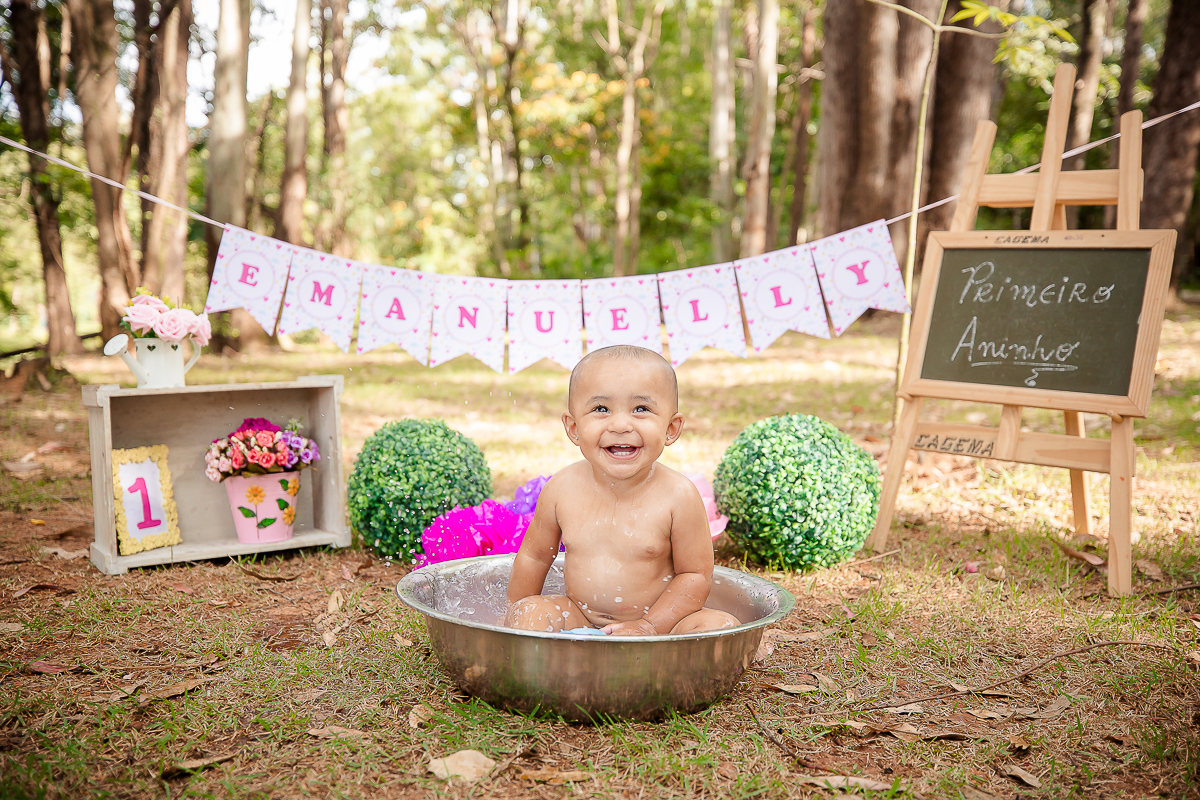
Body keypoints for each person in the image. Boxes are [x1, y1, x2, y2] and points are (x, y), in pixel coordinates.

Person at [504, 345, 740, 635]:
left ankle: (662, 663)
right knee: (529, 613)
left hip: (661, 626)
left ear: (671, 428)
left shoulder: (678, 496)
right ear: (574, 427)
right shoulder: (561, 489)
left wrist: (649, 626)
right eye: (601, 409)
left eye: (641, 409)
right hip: (579, 617)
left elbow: (695, 576)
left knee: (721, 626)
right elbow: (535, 557)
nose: (620, 424)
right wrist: (514, 615)